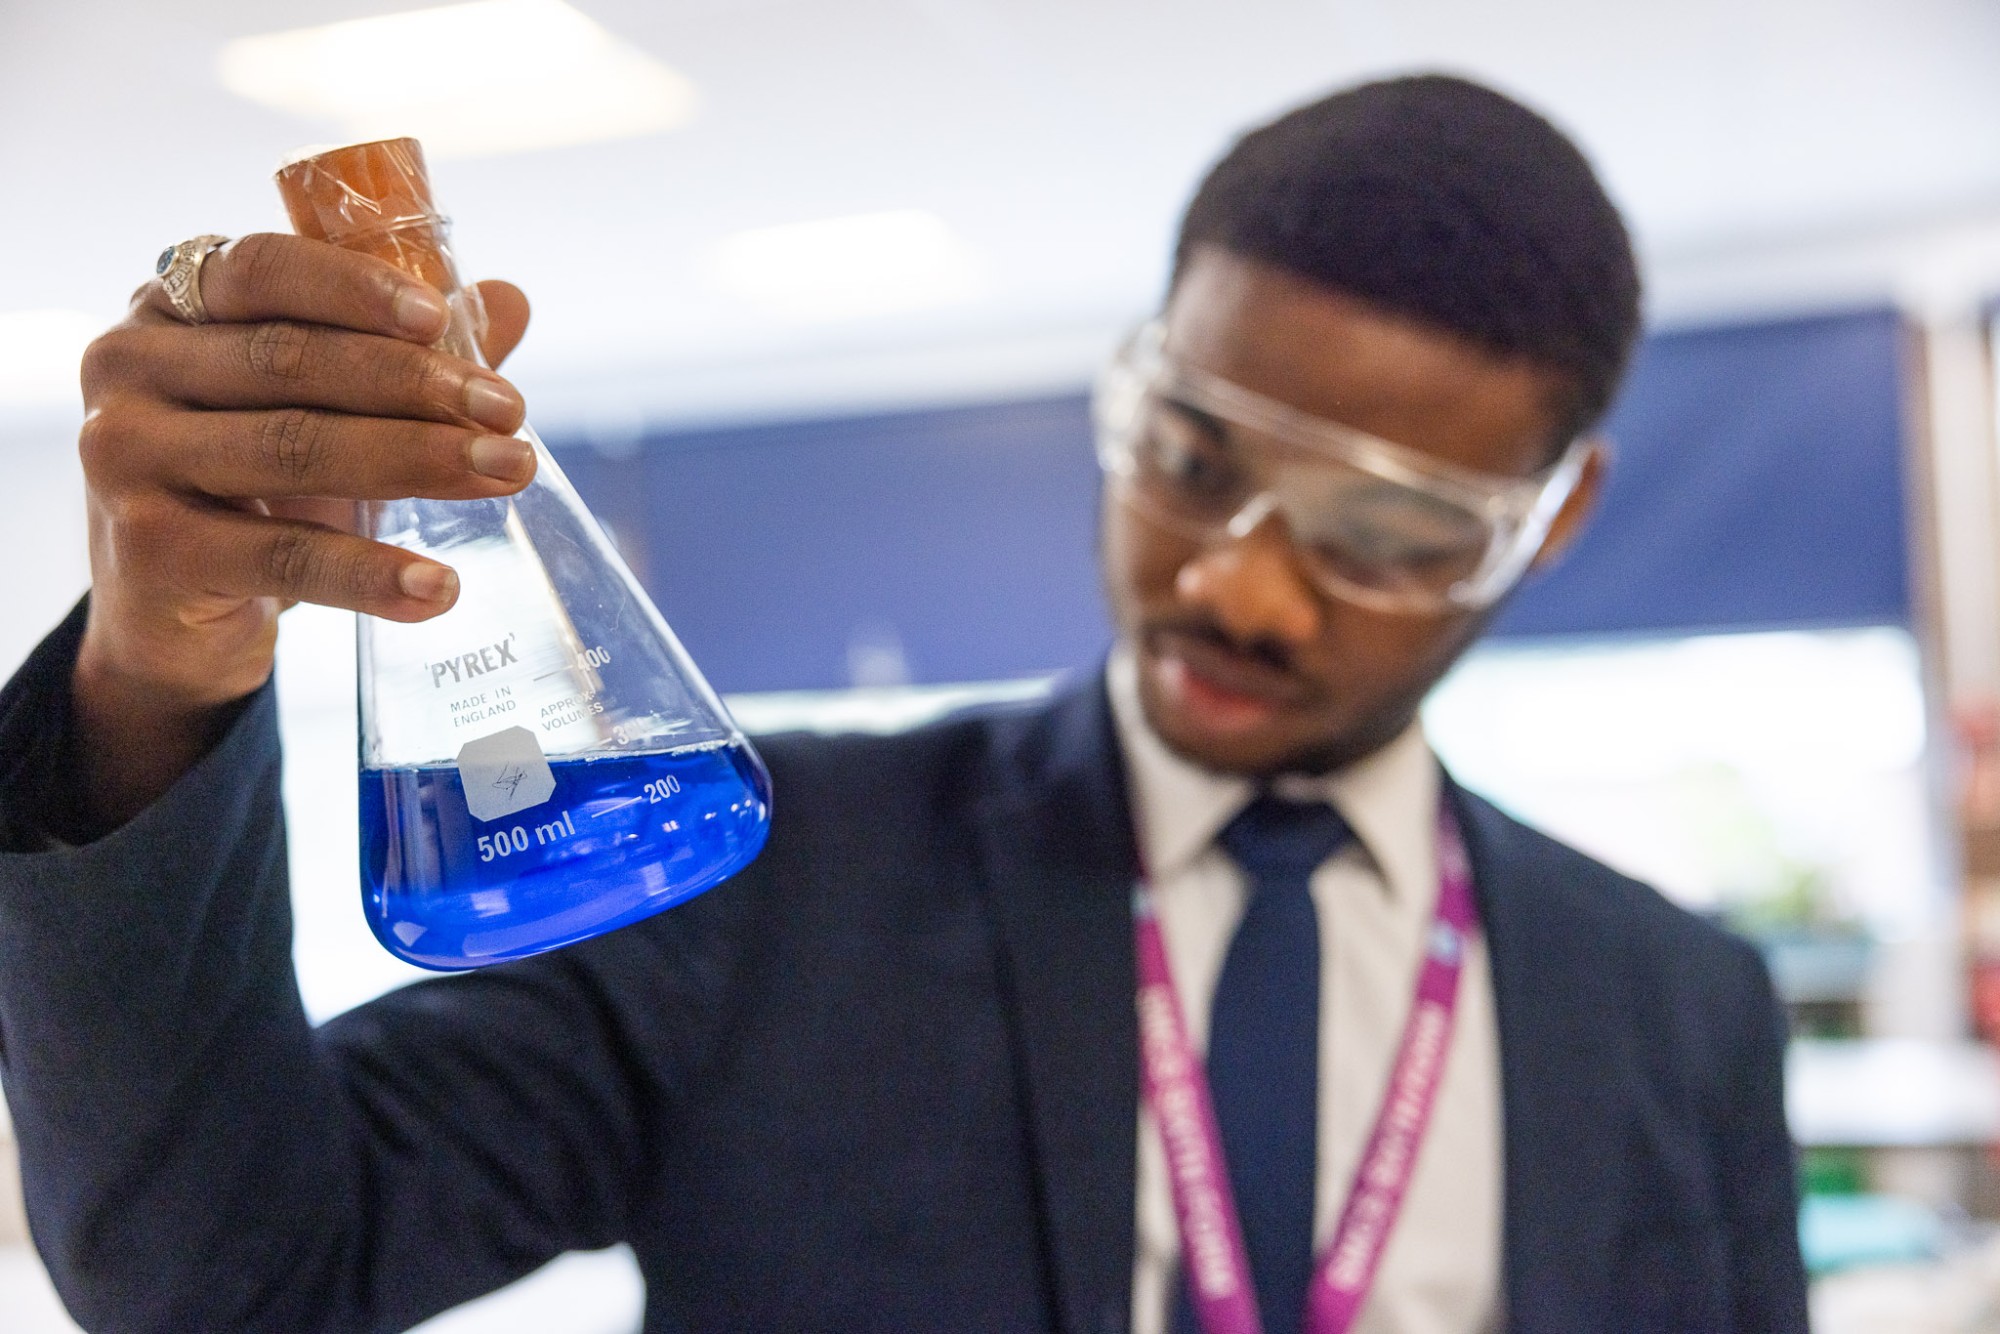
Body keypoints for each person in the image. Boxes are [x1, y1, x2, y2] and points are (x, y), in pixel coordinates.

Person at [0, 74, 1806, 1333]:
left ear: (1554, 517)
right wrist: (158, 676)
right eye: (1193, 458)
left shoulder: (1676, 1008)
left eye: (1387, 532)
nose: (1239, 586)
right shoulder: (763, 886)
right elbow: (225, 1276)